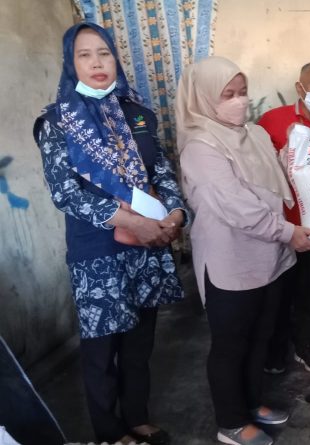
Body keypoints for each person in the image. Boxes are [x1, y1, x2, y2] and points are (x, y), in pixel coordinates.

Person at [33, 22, 187, 445]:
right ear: (70, 63)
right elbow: (65, 193)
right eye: (84, 55)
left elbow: (161, 171)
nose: (97, 63)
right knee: (102, 347)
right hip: (96, 251)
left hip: (148, 246)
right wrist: (130, 221)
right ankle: (109, 431)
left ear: (115, 58)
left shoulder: (138, 114)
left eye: (104, 53)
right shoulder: (57, 122)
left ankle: (136, 418)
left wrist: (175, 213)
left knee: (139, 342)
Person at [176, 56, 310, 445]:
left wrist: (297, 154)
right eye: (228, 94)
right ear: (204, 97)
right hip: (231, 261)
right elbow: (236, 206)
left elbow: (273, 177)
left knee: (260, 336)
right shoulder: (200, 147)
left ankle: (252, 402)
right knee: (231, 344)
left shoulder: (253, 134)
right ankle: (231, 422)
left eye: (243, 92)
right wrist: (288, 232)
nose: (239, 101)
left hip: (270, 257)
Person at [257, 62, 310, 373]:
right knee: (276, 294)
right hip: (280, 225)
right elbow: (254, 168)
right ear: (299, 87)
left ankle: (306, 347)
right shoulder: (272, 121)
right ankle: (274, 353)